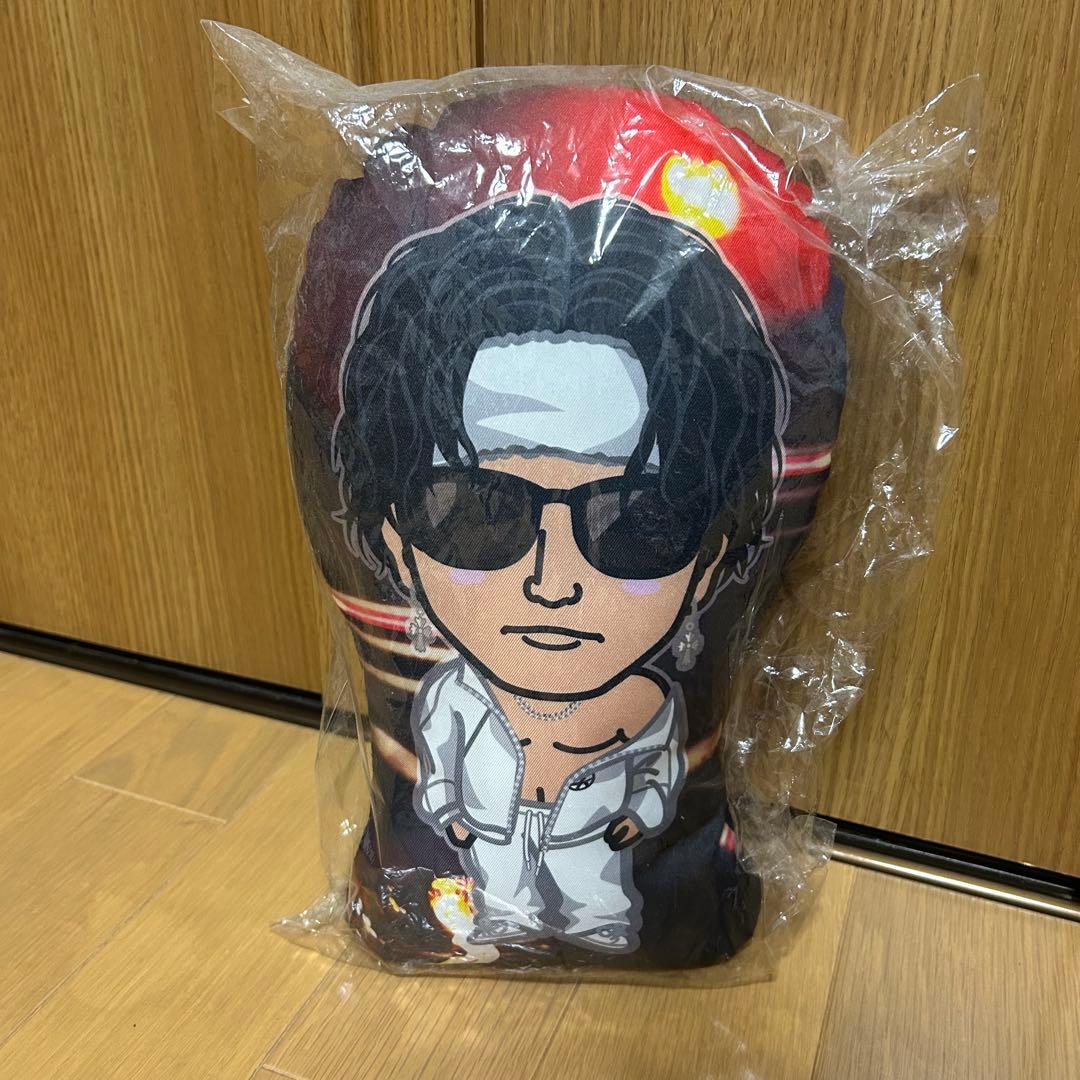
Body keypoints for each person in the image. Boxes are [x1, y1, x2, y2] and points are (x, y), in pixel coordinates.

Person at [330, 191, 788, 954]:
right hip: (476, 883)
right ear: (396, 539)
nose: (553, 581)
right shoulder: (451, 701)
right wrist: (448, 811)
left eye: (631, 522)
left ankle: (610, 927)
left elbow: (658, 778)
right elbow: (438, 771)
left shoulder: (650, 710)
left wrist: (638, 817)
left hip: (610, 889)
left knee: (601, 909)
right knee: (496, 903)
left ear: (710, 558)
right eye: (479, 510)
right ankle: (497, 924)